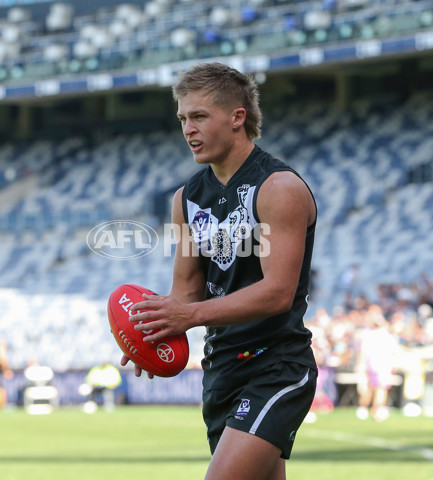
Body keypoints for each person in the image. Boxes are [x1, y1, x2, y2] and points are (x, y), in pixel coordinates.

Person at [122, 62, 318, 480]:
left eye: (199, 117)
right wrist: (149, 328)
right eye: (182, 119)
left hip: (276, 365)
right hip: (221, 372)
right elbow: (186, 292)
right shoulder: (186, 199)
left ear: (237, 117)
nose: (187, 129)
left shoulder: (278, 188)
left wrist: (188, 316)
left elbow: (277, 292)